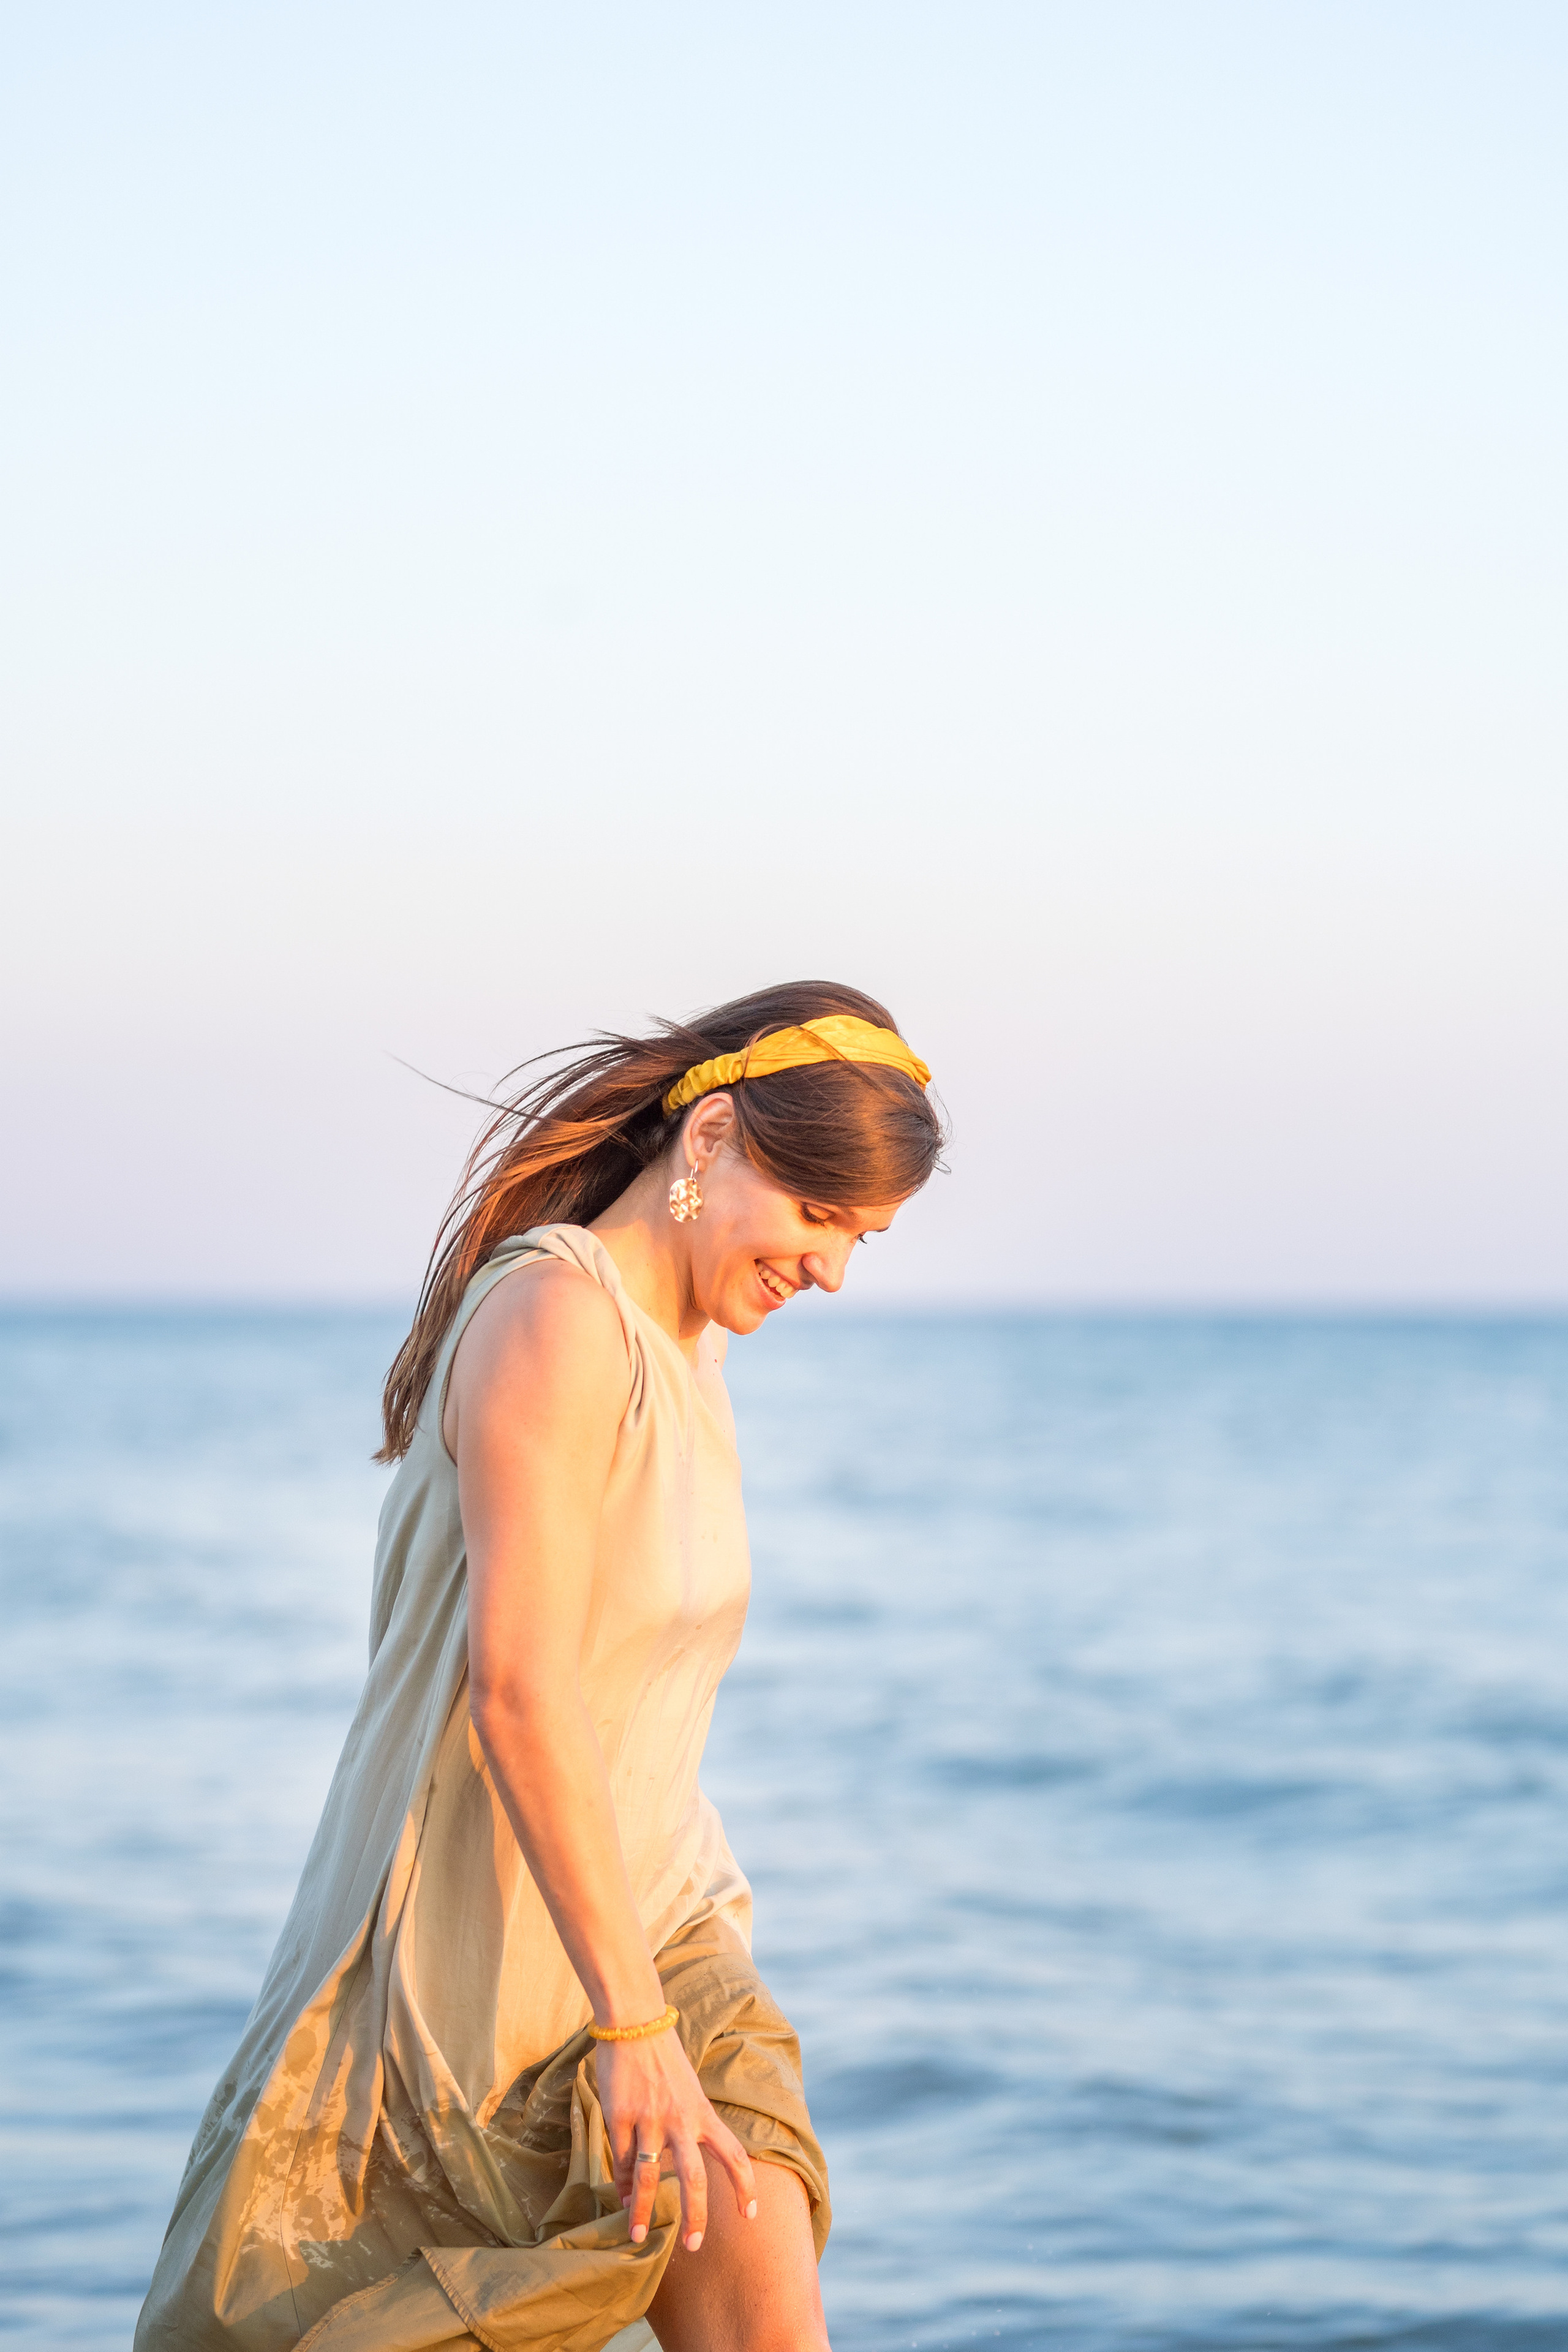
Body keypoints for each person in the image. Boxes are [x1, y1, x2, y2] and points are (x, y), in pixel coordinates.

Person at [135, 981, 943, 2352]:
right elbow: (519, 1690)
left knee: (769, 2307)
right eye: (819, 1216)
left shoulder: (688, 1346)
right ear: (710, 1140)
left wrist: (648, 2004)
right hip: (470, 1980)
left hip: (660, 1929)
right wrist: (629, 2031)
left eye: (859, 1238)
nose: (832, 1273)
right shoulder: (557, 1321)